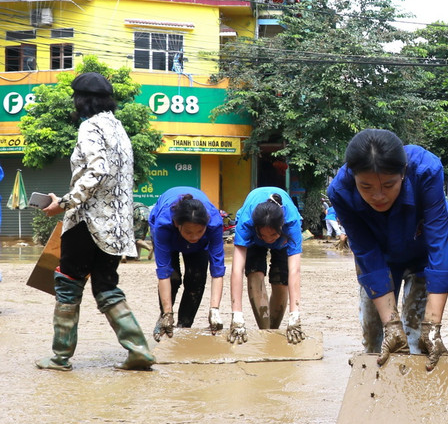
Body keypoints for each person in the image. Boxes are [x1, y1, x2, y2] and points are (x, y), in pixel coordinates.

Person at [37, 72, 154, 371]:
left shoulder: (89, 127)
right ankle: (139, 350)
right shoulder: (118, 128)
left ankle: (60, 357)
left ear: (81, 99)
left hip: (87, 223)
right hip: (116, 228)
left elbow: (96, 170)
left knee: (68, 282)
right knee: (106, 286)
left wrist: (62, 203)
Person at [327, 129, 448, 369]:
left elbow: (439, 243)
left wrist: (433, 326)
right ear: (353, 177)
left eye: (388, 185)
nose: (378, 196)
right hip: (379, 260)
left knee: (418, 337)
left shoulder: (426, 169)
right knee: (375, 339)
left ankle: (415, 395)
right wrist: (391, 324)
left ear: (403, 173)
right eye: (366, 187)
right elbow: (365, 252)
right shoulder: (340, 191)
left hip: (423, 256)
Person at [228, 186, 305, 345]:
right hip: (254, 240)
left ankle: (273, 332)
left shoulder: (292, 223)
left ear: (282, 226)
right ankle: (265, 331)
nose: (268, 239)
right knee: (254, 274)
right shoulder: (246, 223)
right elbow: (236, 270)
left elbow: (294, 271)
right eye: (264, 234)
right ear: (255, 228)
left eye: (273, 234)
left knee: (281, 281)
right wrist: (237, 316)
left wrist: (295, 316)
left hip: (283, 242)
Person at [148, 186, 226, 341]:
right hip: (170, 236)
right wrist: (167, 312)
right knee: (173, 278)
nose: (194, 237)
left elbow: (217, 270)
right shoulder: (163, 224)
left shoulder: (214, 223)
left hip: (199, 246)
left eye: (199, 231)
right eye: (189, 232)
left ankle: (184, 326)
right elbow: (163, 272)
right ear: (177, 224)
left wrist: (214, 310)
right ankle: (165, 317)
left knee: (196, 279)